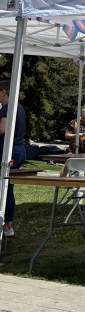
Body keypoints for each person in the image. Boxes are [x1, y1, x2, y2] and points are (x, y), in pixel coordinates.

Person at [0, 80, 27, 239]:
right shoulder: (20, 107)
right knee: (7, 189)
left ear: (3, 91)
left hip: (8, 152)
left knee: (4, 188)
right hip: (19, 151)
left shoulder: (6, 108)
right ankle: (7, 226)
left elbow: (2, 129)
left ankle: (6, 225)